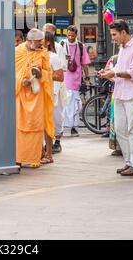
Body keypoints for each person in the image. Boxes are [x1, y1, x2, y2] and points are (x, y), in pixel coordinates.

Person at [99, 20, 133, 176]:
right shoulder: (122, 49)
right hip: (119, 94)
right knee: (120, 130)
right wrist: (108, 74)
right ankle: (129, 161)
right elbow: (118, 71)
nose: (113, 38)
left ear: (123, 32)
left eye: (114, 34)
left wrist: (114, 73)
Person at [15, 28, 54, 168]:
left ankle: (34, 158)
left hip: (37, 95)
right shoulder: (18, 51)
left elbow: (49, 73)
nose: (41, 44)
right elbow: (11, 72)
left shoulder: (42, 52)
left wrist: (40, 73)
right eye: (38, 42)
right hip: (21, 94)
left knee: (36, 126)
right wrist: (21, 81)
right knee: (19, 126)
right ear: (30, 41)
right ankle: (19, 157)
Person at [61, 25, 91, 137]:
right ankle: (62, 128)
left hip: (76, 80)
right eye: (68, 35)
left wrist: (87, 78)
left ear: (76, 35)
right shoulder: (62, 45)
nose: (70, 37)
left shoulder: (80, 46)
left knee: (75, 105)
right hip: (63, 79)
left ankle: (74, 128)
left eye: (72, 36)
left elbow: (85, 64)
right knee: (64, 104)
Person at [43, 23, 67, 152]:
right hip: (42, 89)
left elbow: (61, 69)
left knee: (56, 115)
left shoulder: (57, 49)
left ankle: (57, 140)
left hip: (56, 87)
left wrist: (46, 75)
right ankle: (46, 144)